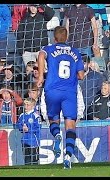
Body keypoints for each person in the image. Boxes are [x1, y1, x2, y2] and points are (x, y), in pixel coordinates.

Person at [36, 26, 85, 169]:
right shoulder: (75, 52)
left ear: (54, 38)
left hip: (52, 90)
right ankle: (68, 157)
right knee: (70, 125)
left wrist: (40, 76)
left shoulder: (49, 49)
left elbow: (40, 55)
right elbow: (81, 75)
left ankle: (57, 135)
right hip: (69, 92)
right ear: (67, 38)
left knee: (54, 120)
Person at [16, 97, 41, 165]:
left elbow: (38, 128)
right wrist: (22, 128)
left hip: (33, 142)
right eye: (25, 104)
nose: (26, 107)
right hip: (24, 141)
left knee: (34, 161)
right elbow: (18, 125)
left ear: (33, 106)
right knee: (26, 161)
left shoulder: (35, 116)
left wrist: (29, 130)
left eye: (28, 105)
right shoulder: (22, 116)